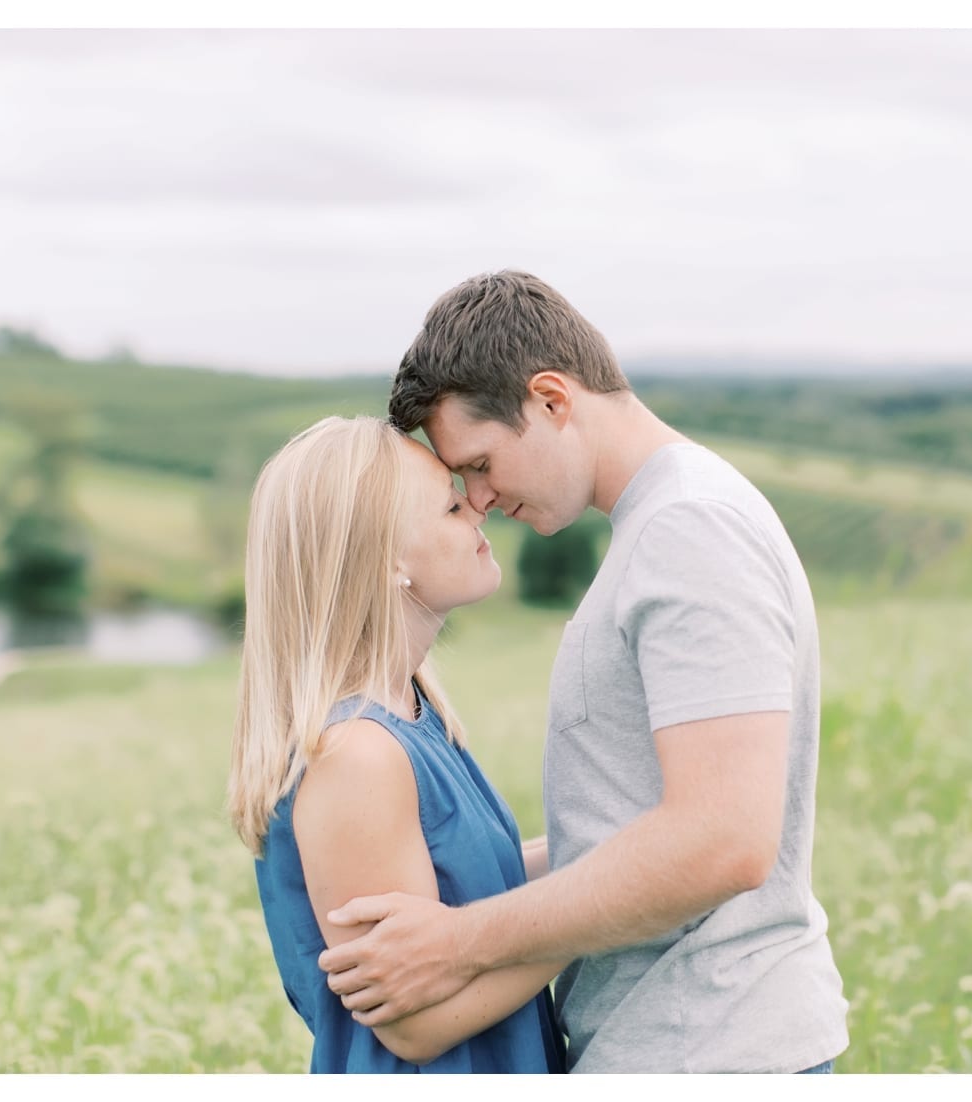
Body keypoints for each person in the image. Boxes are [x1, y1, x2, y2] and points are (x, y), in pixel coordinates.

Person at [315, 272, 850, 1073]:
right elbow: (631, 823)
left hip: (714, 1049)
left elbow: (725, 839)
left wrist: (460, 941)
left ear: (553, 400)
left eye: (483, 463)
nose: (483, 498)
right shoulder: (660, 525)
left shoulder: (687, 528)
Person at [227, 415, 566, 1073]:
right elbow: (414, 1027)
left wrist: (632, 852)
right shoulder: (357, 755)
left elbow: (475, 897)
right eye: (449, 503)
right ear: (385, 560)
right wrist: (603, 916)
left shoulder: (414, 713)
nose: (479, 507)